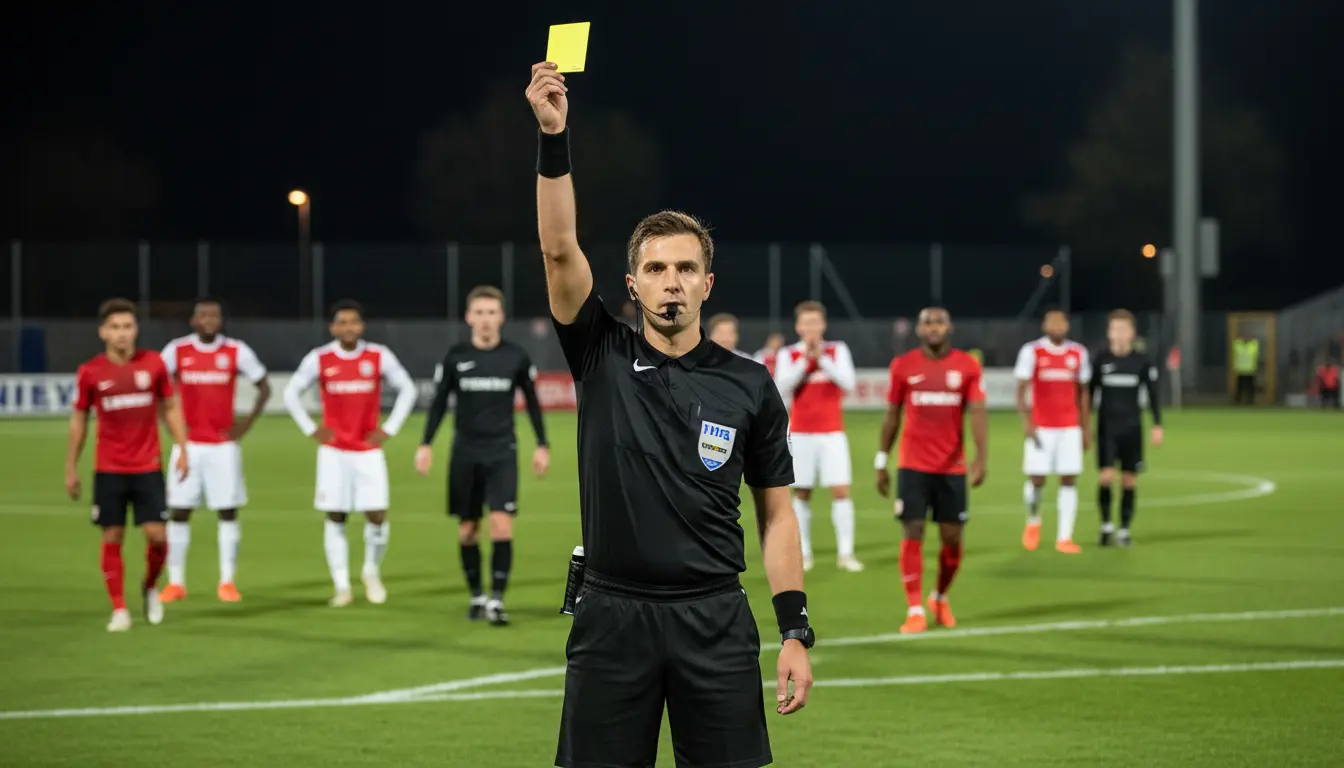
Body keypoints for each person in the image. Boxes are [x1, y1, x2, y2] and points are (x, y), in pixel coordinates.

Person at [528, 61, 812, 768]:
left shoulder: (749, 384)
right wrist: (554, 136)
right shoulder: (599, 352)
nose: (671, 281)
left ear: (707, 283)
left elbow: (777, 515)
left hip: (715, 619)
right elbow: (559, 248)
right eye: (656, 269)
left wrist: (795, 631)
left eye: (686, 268)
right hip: (611, 616)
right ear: (631, 283)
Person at [416, 285, 550, 625]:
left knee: (502, 524)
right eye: (480, 313)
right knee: (468, 530)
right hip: (465, 453)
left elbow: (533, 403)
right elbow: (438, 404)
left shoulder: (516, 357)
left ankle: (496, 600)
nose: (486, 319)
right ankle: (476, 594)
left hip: (502, 452)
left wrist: (542, 444)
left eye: (492, 313)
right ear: (469, 317)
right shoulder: (456, 357)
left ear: (501, 317)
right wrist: (426, 444)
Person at [65, 298, 190, 632]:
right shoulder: (90, 372)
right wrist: (71, 467)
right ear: (103, 332)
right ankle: (119, 609)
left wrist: (182, 447)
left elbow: (170, 406)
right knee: (113, 535)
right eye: (116, 328)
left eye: (128, 327)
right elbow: (80, 420)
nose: (123, 334)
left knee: (158, 535)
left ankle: (150, 585)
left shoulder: (153, 365)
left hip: (147, 465)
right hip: (109, 468)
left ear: (136, 329)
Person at [283, 300, 417, 607]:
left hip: (368, 450)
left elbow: (407, 389)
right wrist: (311, 429)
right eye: (342, 322)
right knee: (336, 515)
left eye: (353, 322)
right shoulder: (320, 358)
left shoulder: (378, 355)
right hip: (333, 452)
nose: (348, 327)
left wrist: (390, 428)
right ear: (333, 327)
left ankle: (371, 571)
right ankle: (342, 585)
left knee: (377, 515)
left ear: (362, 326)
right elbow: (291, 393)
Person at [875, 308, 987, 633]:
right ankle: (915, 609)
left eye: (939, 322)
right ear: (918, 329)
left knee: (952, 538)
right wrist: (881, 460)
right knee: (913, 530)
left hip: (952, 466)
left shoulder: (967, 365)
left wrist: (980, 458)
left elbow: (978, 413)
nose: (933, 327)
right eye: (927, 322)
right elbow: (892, 415)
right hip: (913, 464)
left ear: (949, 327)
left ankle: (939, 597)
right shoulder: (903, 365)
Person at [159, 298, 271, 603]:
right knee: (179, 512)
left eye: (215, 315)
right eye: (203, 315)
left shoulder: (236, 350)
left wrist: (246, 424)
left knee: (227, 511)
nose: (209, 320)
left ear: (221, 321)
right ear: (193, 321)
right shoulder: (176, 350)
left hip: (223, 447)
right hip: (188, 446)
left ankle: (227, 581)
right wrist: (171, 426)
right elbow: (157, 385)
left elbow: (265, 386)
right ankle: (176, 582)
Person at [774, 301, 862, 573]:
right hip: (800, 433)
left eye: (816, 323)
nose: (811, 328)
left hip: (833, 433)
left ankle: (845, 554)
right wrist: (805, 362)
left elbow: (848, 383)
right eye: (806, 323)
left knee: (841, 491)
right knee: (801, 493)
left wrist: (822, 358)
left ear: (823, 325)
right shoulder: (788, 354)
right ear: (798, 326)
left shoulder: (837, 350)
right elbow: (780, 387)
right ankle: (805, 552)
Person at [1015, 308, 1091, 554]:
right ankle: (1033, 520)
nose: (1057, 325)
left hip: (1069, 428)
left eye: (1061, 322)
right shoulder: (1032, 351)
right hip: (1042, 427)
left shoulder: (1078, 352)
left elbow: (1083, 393)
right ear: (1044, 326)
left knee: (1068, 479)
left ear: (1067, 326)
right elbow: (1021, 390)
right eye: (1052, 321)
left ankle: (1064, 537)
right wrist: (1027, 422)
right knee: (1037, 480)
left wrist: (1085, 428)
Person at [1090, 310, 1164, 547]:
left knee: (1129, 480)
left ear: (1132, 333)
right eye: (1115, 329)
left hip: (1132, 428)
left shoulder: (1141, 361)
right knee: (1106, 477)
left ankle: (1123, 530)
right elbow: (1089, 394)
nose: (1119, 334)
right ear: (1109, 333)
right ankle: (1105, 525)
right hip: (1106, 428)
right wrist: (1082, 425)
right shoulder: (1101, 360)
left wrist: (1157, 424)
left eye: (1124, 329)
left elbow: (1153, 394)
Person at [1232, 334, 1260, 404]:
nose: (1245, 337)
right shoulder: (1239, 346)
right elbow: (1235, 342)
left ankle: (1250, 400)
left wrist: (1250, 339)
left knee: (1250, 387)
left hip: (1250, 370)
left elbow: (1255, 343)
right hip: (1241, 370)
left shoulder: (1252, 346)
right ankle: (1238, 400)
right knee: (1240, 387)